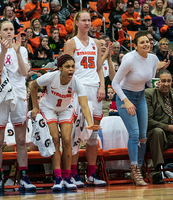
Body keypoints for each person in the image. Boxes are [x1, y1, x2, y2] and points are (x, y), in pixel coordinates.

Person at [30, 54, 100, 191]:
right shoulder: (51, 76)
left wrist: (90, 123)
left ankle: (67, 177)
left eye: (73, 66)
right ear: (60, 68)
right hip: (48, 108)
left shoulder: (76, 82)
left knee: (67, 140)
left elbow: (84, 105)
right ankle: (57, 177)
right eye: (67, 66)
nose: (71, 69)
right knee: (55, 138)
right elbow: (33, 85)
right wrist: (35, 107)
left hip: (65, 109)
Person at [112, 31, 167, 186]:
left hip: (141, 96)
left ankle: (140, 169)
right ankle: (134, 169)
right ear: (135, 46)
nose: (146, 44)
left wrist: (160, 83)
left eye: (148, 41)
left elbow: (149, 83)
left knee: (143, 136)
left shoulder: (154, 59)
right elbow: (115, 83)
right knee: (134, 133)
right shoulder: (129, 59)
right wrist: (126, 101)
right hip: (125, 96)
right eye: (142, 42)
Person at [0, 21, 36, 191]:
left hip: (18, 95)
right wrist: (3, 52)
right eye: (5, 29)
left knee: (22, 140)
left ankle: (24, 176)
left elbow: (24, 73)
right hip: (0, 96)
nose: (9, 32)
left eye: (11, 29)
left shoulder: (22, 49)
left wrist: (16, 52)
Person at [64, 10, 108, 187]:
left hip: (95, 90)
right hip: (77, 91)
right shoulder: (70, 43)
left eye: (89, 20)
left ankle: (91, 174)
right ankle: (73, 174)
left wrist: (102, 86)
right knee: (76, 134)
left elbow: (99, 68)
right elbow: (65, 70)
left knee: (92, 135)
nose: (87, 23)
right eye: (84, 20)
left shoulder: (96, 42)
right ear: (76, 22)